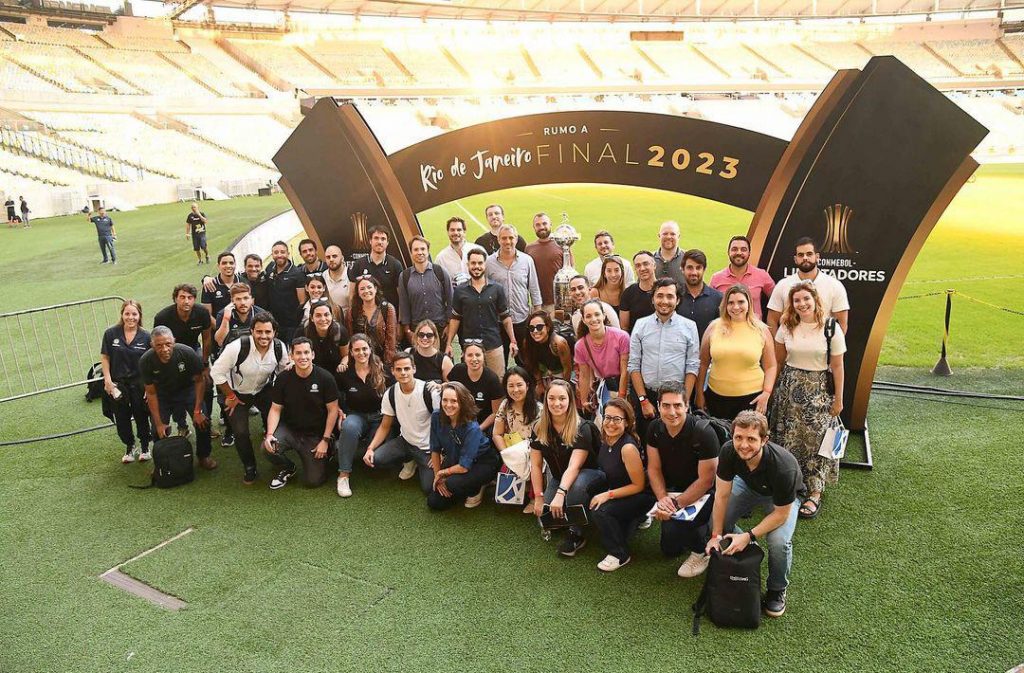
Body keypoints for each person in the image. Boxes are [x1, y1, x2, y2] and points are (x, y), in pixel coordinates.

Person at [705, 410, 802, 618]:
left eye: (751, 439)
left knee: (778, 541)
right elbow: (721, 495)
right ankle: (739, 546)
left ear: (764, 440)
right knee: (715, 521)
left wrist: (749, 534)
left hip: (780, 497)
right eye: (738, 437)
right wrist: (716, 535)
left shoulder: (784, 468)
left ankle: (777, 589)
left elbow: (780, 515)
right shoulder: (729, 451)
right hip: (749, 485)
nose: (743, 444)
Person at [771, 281, 846, 519]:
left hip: (819, 392)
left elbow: (837, 366)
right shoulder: (786, 326)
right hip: (789, 390)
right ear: (791, 305)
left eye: (806, 299)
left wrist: (839, 400)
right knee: (788, 439)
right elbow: (779, 360)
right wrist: (772, 391)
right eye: (797, 300)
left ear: (815, 299)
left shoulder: (831, 328)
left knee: (816, 442)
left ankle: (814, 493)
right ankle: (789, 485)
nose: (802, 304)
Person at [645, 382, 720, 578]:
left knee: (685, 530)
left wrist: (675, 505)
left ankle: (703, 546)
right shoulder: (654, 428)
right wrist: (663, 499)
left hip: (705, 493)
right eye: (666, 405)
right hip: (673, 491)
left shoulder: (704, 433)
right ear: (658, 405)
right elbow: (653, 468)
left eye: (677, 405)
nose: (672, 412)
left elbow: (707, 481)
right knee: (669, 550)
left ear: (687, 406)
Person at [210, 312, 290, 484]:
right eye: (259, 331)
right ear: (252, 331)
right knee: (241, 432)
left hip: (264, 389)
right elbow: (216, 372)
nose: (263, 336)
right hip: (237, 394)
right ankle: (250, 467)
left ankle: (275, 455)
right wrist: (229, 395)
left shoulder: (279, 347)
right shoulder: (236, 347)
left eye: (268, 332)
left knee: (277, 421)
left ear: (274, 333)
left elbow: (284, 372)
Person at [529, 379, 604, 557]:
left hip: (590, 475)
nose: (556, 403)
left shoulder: (582, 427)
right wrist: (539, 497)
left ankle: (576, 533)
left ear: (570, 400)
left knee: (575, 489)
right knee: (547, 519)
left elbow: (574, 466)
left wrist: (560, 494)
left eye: (562, 398)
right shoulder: (539, 427)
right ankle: (577, 515)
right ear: (545, 400)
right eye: (552, 398)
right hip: (559, 477)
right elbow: (536, 464)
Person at [261, 337, 339, 490]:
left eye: (306, 352)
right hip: (290, 430)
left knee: (313, 481)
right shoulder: (283, 378)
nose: (303, 357)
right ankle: (288, 467)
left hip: (315, 434)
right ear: (291, 356)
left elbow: (333, 410)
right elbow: (275, 409)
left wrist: (325, 439)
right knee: (266, 447)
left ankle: (329, 448)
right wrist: (270, 434)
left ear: (313, 355)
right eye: (298, 353)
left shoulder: (325, 378)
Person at [628, 278, 700, 439]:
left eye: (670, 296)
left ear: (678, 299)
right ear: (653, 299)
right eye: (660, 296)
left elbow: (692, 366)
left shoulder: (689, 327)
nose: (664, 301)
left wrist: (684, 401)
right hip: (648, 398)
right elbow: (633, 365)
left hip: (676, 399)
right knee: (648, 445)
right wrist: (643, 400)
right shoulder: (640, 325)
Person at [588, 398, 654, 571]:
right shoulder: (605, 439)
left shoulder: (627, 448)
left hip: (641, 496)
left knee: (600, 511)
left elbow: (638, 486)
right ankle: (636, 519)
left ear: (627, 422)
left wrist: (607, 495)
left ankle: (620, 554)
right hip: (620, 490)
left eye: (617, 419)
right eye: (607, 417)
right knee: (591, 491)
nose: (611, 423)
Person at [695, 284, 777, 420]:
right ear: (725, 305)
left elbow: (771, 366)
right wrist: (699, 393)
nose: (736, 307)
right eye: (731, 303)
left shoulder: (761, 330)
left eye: (741, 302)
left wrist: (767, 393)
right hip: (716, 399)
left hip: (751, 399)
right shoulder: (714, 327)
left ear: (749, 304)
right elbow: (703, 363)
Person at [363, 352, 441, 494]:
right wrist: (370, 448)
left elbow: (445, 425)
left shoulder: (428, 391)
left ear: (414, 369)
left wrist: (441, 453)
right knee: (377, 459)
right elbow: (385, 425)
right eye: (398, 369)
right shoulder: (390, 393)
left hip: (427, 449)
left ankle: (419, 462)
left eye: (407, 368)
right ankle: (410, 460)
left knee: (429, 488)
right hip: (405, 442)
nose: (403, 373)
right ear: (393, 371)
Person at [139, 326, 215, 470]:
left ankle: (204, 456)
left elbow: (200, 381)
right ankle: (161, 462)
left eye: (168, 344)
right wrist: (159, 423)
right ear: (152, 345)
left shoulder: (187, 353)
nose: (165, 349)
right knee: (156, 429)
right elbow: (151, 393)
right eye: (159, 345)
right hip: (162, 394)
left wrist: (198, 411)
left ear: (174, 341)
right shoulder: (146, 361)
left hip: (187, 389)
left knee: (203, 422)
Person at [427, 381, 501, 510]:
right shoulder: (436, 417)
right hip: (456, 458)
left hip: (482, 462)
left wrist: (442, 473)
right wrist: (437, 476)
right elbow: (435, 449)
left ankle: (479, 486)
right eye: (445, 400)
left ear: (462, 402)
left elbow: (464, 467)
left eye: (454, 401)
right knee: (434, 502)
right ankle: (461, 488)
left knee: (451, 483)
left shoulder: (472, 428)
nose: (448, 405)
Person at [446, 248, 517, 376]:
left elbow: (505, 317)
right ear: (468, 265)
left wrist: (512, 340)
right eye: (473, 263)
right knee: (471, 384)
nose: (476, 267)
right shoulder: (460, 291)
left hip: (493, 344)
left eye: (480, 263)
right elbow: (455, 318)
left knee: (498, 381)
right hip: (469, 347)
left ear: (485, 265)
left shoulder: (497, 289)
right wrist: (449, 343)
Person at [335, 333, 390, 498]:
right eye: (356, 350)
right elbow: (336, 396)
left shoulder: (383, 370)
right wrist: (340, 411)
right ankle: (343, 475)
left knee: (378, 460)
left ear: (370, 349)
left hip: (379, 418)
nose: (361, 353)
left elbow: (395, 394)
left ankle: (357, 447)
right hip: (356, 415)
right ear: (350, 352)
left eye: (364, 349)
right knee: (349, 426)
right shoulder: (344, 373)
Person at [100, 299, 152, 463]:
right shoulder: (110, 334)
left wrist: (148, 387)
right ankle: (130, 446)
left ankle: (145, 446)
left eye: (134, 314)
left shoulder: (146, 336)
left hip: (139, 383)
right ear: (122, 315)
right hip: (118, 384)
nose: (131, 317)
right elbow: (105, 357)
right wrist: (107, 381)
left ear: (140, 315)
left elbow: (150, 363)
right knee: (121, 418)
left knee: (141, 415)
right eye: (127, 314)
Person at [767, 236, 850, 335]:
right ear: (795, 259)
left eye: (809, 254)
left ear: (817, 257)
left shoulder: (834, 285)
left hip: (822, 347)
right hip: (790, 348)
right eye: (801, 255)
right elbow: (772, 320)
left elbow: (843, 324)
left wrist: (834, 348)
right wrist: (777, 347)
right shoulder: (783, 285)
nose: (805, 258)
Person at [486, 224, 542, 365]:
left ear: (516, 239)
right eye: (504, 238)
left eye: (511, 238)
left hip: (521, 319)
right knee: (499, 362)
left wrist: (538, 312)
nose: (508, 241)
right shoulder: (489, 262)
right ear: (498, 240)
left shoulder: (526, 260)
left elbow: (533, 287)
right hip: (498, 321)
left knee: (525, 361)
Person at [492, 366, 543, 513]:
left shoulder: (539, 409)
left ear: (527, 385)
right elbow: (497, 434)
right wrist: (507, 454)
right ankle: (522, 485)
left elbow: (542, 441)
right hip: (512, 450)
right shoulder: (505, 405)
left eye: (519, 385)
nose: (515, 390)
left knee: (536, 466)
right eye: (511, 386)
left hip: (535, 452)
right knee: (507, 501)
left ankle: (534, 496)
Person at [575, 299, 630, 415]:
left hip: (624, 385)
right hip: (604, 387)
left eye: (597, 314)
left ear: (604, 316)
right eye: (588, 316)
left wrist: (621, 397)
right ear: (584, 320)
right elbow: (584, 375)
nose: (593, 319)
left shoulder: (621, 337)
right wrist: (584, 401)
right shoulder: (581, 345)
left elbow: (625, 371)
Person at [398, 236, 452, 344]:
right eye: (416, 249)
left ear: (428, 251)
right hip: (417, 329)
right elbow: (404, 305)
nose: (420, 252)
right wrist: (408, 331)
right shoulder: (405, 276)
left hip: (440, 328)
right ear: (411, 252)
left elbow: (451, 299)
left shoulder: (440, 272)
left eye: (423, 249)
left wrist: (449, 325)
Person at [710, 235, 775, 321]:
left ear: (749, 253)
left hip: (754, 331)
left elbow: (777, 303)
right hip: (726, 330)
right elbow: (709, 308)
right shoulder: (717, 278)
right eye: (734, 249)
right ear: (728, 252)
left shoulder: (762, 275)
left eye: (743, 249)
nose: (739, 253)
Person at [447, 342, 502, 432]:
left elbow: (495, 413)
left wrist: (478, 429)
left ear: (483, 356)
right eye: (470, 355)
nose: (474, 359)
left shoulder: (492, 379)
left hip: (482, 424)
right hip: (460, 420)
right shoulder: (458, 370)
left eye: (478, 355)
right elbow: (448, 390)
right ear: (463, 356)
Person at [345, 275, 397, 367]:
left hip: (383, 360)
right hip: (360, 359)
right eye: (362, 289)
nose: (366, 291)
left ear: (375, 289)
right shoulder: (352, 312)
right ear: (358, 292)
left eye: (369, 287)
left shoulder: (387, 309)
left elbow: (391, 339)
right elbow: (350, 337)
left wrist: (387, 364)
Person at [525, 212, 572, 313]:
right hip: (537, 305)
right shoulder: (529, 248)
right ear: (534, 227)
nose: (541, 227)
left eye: (544, 223)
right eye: (538, 225)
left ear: (550, 225)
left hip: (558, 304)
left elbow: (571, 273)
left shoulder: (562, 245)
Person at [153, 284, 214, 362]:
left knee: (200, 365)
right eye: (182, 297)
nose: (186, 301)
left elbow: (206, 338)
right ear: (175, 299)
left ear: (194, 299)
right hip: (171, 352)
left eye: (190, 298)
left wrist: (205, 362)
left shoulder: (202, 313)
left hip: (194, 348)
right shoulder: (162, 318)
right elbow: (158, 344)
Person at [347, 225, 404, 308]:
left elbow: (401, 295)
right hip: (365, 316)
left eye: (383, 239)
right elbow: (352, 293)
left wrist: (401, 318)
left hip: (390, 315)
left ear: (387, 242)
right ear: (370, 241)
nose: (379, 242)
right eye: (376, 238)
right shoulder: (359, 264)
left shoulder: (395, 264)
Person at [519, 310, 573, 396]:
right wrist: (539, 384)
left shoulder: (558, 343)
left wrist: (563, 388)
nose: (535, 331)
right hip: (543, 376)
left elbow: (567, 368)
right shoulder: (528, 343)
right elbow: (533, 365)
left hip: (562, 375)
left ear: (547, 327)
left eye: (539, 327)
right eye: (532, 328)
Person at [264, 240, 307, 342]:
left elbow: (302, 301)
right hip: (273, 322)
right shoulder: (270, 268)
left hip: (291, 325)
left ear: (288, 254)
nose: (279, 255)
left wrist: (296, 321)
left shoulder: (297, 273)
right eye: (276, 252)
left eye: (282, 252)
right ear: (272, 254)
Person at [678, 249, 724, 340]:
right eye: (690, 268)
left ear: (704, 270)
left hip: (707, 352)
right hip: (679, 352)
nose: (694, 272)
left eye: (698, 268)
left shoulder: (718, 298)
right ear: (682, 269)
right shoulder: (675, 296)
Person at [304, 299, 350, 378]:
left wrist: (343, 364)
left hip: (336, 373)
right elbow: (293, 353)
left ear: (331, 316)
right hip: (312, 373)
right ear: (312, 318)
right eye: (318, 315)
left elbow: (346, 355)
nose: (323, 319)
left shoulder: (340, 331)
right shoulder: (304, 331)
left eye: (326, 315)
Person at [619, 250, 657, 332]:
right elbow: (624, 328)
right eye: (638, 266)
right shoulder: (628, 293)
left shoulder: (665, 290)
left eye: (645, 264)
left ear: (654, 265)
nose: (642, 268)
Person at [406, 319, 453, 383]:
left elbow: (452, 385)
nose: (425, 338)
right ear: (416, 336)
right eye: (421, 335)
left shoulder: (444, 360)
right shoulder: (408, 353)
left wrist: (440, 386)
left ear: (435, 337)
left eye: (429, 335)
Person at [202, 252, 239, 318]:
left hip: (241, 327)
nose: (228, 266)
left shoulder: (243, 282)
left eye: (231, 263)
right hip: (218, 326)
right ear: (218, 266)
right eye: (224, 263)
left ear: (235, 265)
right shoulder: (209, 285)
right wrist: (221, 327)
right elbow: (207, 316)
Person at [434, 216, 470, 283]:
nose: (455, 233)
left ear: (464, 232)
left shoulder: (478, 250)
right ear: (448, 232)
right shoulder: (440, 258)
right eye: (452, 230)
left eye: (459, 230)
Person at [654, 220, 685, 288]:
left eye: (672, 234)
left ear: (678, 236)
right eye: (665, 234)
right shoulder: (649, 259)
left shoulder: (688, 259)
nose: (668, 237)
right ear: (659, 236)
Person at [323, 244, 351, 312]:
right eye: (328, 257)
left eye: (334, 256)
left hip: (349, 318)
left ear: (342, 258)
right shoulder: (323, 276)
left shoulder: (351, 275)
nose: (331, 259)